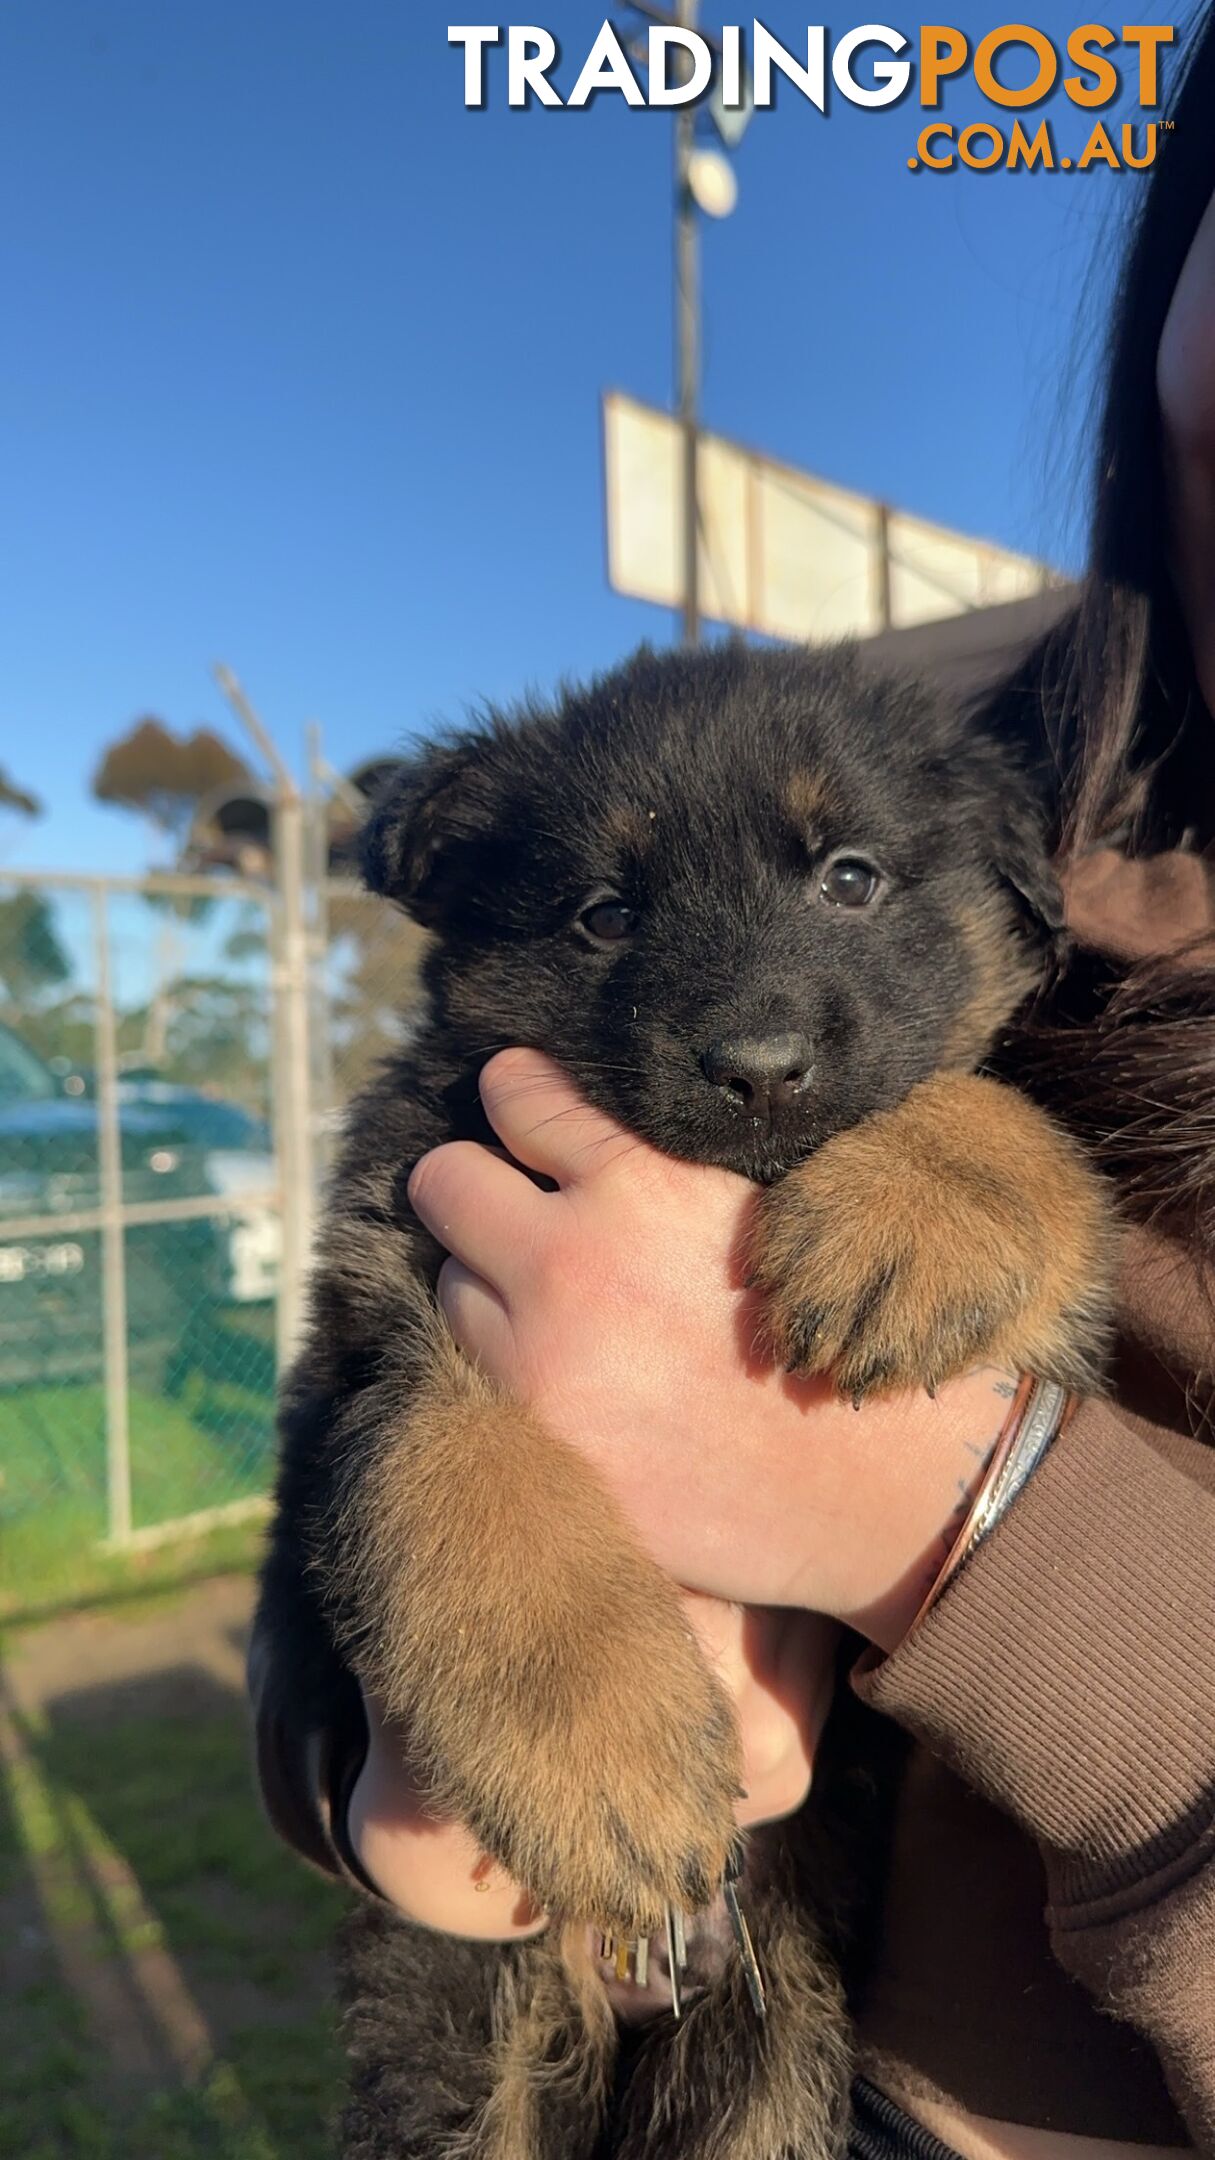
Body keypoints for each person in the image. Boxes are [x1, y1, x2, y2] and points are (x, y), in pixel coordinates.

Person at [250, 12, 1215, 2157]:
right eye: (602, 920)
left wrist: (952, 1500)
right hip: (559, 2031)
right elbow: (356, 1424)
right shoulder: (1013, 729)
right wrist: (362, 1769)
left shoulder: (971, 951)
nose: (756, 1021)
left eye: (845, 878)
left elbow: (1004, 1255)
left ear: (966, 884)